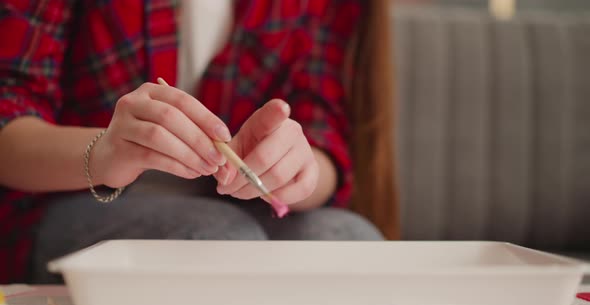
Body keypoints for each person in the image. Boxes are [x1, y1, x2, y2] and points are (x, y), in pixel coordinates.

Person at [0, 0, 398, 283]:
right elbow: (10, 119)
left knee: (349, 242)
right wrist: (106, 152)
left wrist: (297, 170)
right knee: (217, 243)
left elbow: (325, 134)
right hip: (62, 199)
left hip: (237, 208)